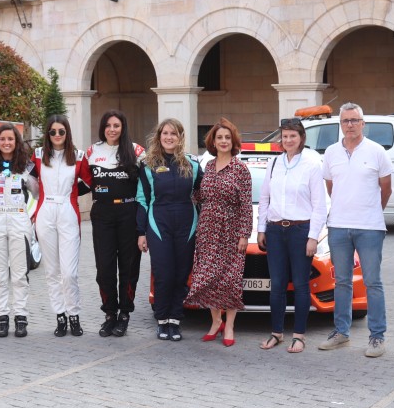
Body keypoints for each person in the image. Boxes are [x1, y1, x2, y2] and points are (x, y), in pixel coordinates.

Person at [319, 103, 393, 357]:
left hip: (369, 228)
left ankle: (377, 337)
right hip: (338, 226)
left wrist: (371, 210)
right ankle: (341, 333)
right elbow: (331, 187)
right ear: (340, 125)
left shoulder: (376, 151)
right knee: (341, 282)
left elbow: (386, 189)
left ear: (363, 123)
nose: (349, 125)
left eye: (354, 120)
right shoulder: (330, 152)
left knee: (372, 282)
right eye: (345, 121)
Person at [256, 117, 327, 353]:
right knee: (276, 285)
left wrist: (313, 236)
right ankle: (277, 333)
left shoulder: (311, 164)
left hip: (300, 230)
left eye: (292, 136)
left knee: (300, 284)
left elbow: (319, 205)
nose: (288, 140)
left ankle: (299, 335)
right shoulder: (274, 164)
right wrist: (262, 229)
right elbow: (264, 198)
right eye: (284, 136)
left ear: (301, 138)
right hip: (275, 230)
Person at [185, 118, 252, 347]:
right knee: (207, 279)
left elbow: (245, 205)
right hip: (207, 231)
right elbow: (198, 196)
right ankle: (215, 321)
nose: (223, 141)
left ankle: (230, 325)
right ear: (213, 141)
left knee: (230, 281)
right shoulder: (208, 167)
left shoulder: (241, 169)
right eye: (219, 137)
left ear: (233, 141)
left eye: (227, 137)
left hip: (231, 233)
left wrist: (244, 235)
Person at [80, 110, 145, 337]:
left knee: (128, 268)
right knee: (104, 268)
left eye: (116, 125)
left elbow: (146, 188)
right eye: (108, 125)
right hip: (102, 215)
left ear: (123, 127)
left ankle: (124, 314)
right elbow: (83, 183)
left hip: (128, 212)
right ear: (102, 128)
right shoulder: (92, 151)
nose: (112, 129)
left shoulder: (136, 151)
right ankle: (109, 314)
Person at [136, 118, 202, 342]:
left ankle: (175, 319)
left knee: (181, 274)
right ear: (159, 136)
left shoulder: (192, 164)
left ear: (180, 137)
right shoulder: (147, 165)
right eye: (165, 133)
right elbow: (142, 200)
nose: (169, 137)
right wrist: (141, 232)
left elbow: (203, 196)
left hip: (187, 223)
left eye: (173, 133)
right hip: (158, 223)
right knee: (163, 274)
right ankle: (162, 319)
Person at [0, 124, 37, 338]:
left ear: (16, 142)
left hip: (19, 220)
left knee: (20, 274)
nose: (6, 143)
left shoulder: (27, 166)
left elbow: (37, 193)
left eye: (10, 139)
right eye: (2, 139)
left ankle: (21, 317)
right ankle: (1, 318)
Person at [33, 115, 89, 337]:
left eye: (61, 131)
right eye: (53, 132)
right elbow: (29, 182)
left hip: (67, 211)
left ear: (67, 133)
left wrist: (74, 195)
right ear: (48, 134)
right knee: (52, 271)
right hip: (45, 212)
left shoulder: (78, 156)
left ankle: (73, 313)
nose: (57, 135)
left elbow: (90, 182)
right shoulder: (37, 156)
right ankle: (60, 317)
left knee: (69, 272)